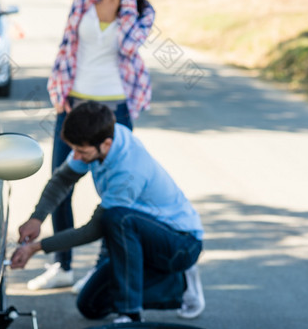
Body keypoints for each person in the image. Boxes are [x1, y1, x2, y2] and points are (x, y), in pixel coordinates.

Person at [32, 0, 156, 292]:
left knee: (115, 194)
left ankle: (102, 269)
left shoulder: (143, 10)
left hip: (115, 107)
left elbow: (129, 46)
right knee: (62, 182)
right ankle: (63, 265)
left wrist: (129, 4)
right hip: (74, 102)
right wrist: (58, 91)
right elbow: (66, 43)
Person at [11, 101, 205, 323]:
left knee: (117, 219)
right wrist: (37, 218)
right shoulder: (101, 135)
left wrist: (36, 248)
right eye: (74, 149)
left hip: (181, 243)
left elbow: (92, 230)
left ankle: (130, 313)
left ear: (106, 144)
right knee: (90, 305)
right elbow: (62, 180)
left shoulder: (129, 169)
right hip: (144, 237)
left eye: (81, 151)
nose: (75, 156)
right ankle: (180, 285)